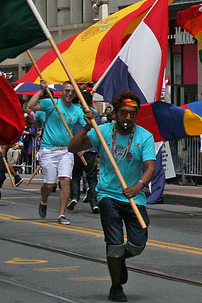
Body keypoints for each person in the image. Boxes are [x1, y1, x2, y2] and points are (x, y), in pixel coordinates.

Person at [69, 90, 155, 302]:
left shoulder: (145, 136)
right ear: (115, 113)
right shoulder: (103, 131)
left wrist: (139, 186)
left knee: (137, 244)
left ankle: (118, 260)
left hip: (135, 198)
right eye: (123, 113)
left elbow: (151, 166)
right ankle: (116, 286)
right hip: (108, 195)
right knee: (115, 243)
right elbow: (73, 147)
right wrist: (89, 127)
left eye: (132, 114)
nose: (127, 118)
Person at [27, 79, 86, 225]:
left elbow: (88, 128)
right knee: (49, 184)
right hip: (48, 150)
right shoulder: (52, 104)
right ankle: (44, 200)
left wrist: (83, 145)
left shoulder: (77, 110)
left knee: (65, 181)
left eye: (72, 91)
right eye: (67, 90)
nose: (69, 94)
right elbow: (31, 105)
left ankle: (61, 214)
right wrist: (41, 90)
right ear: (62, 92)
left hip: (66, 150)